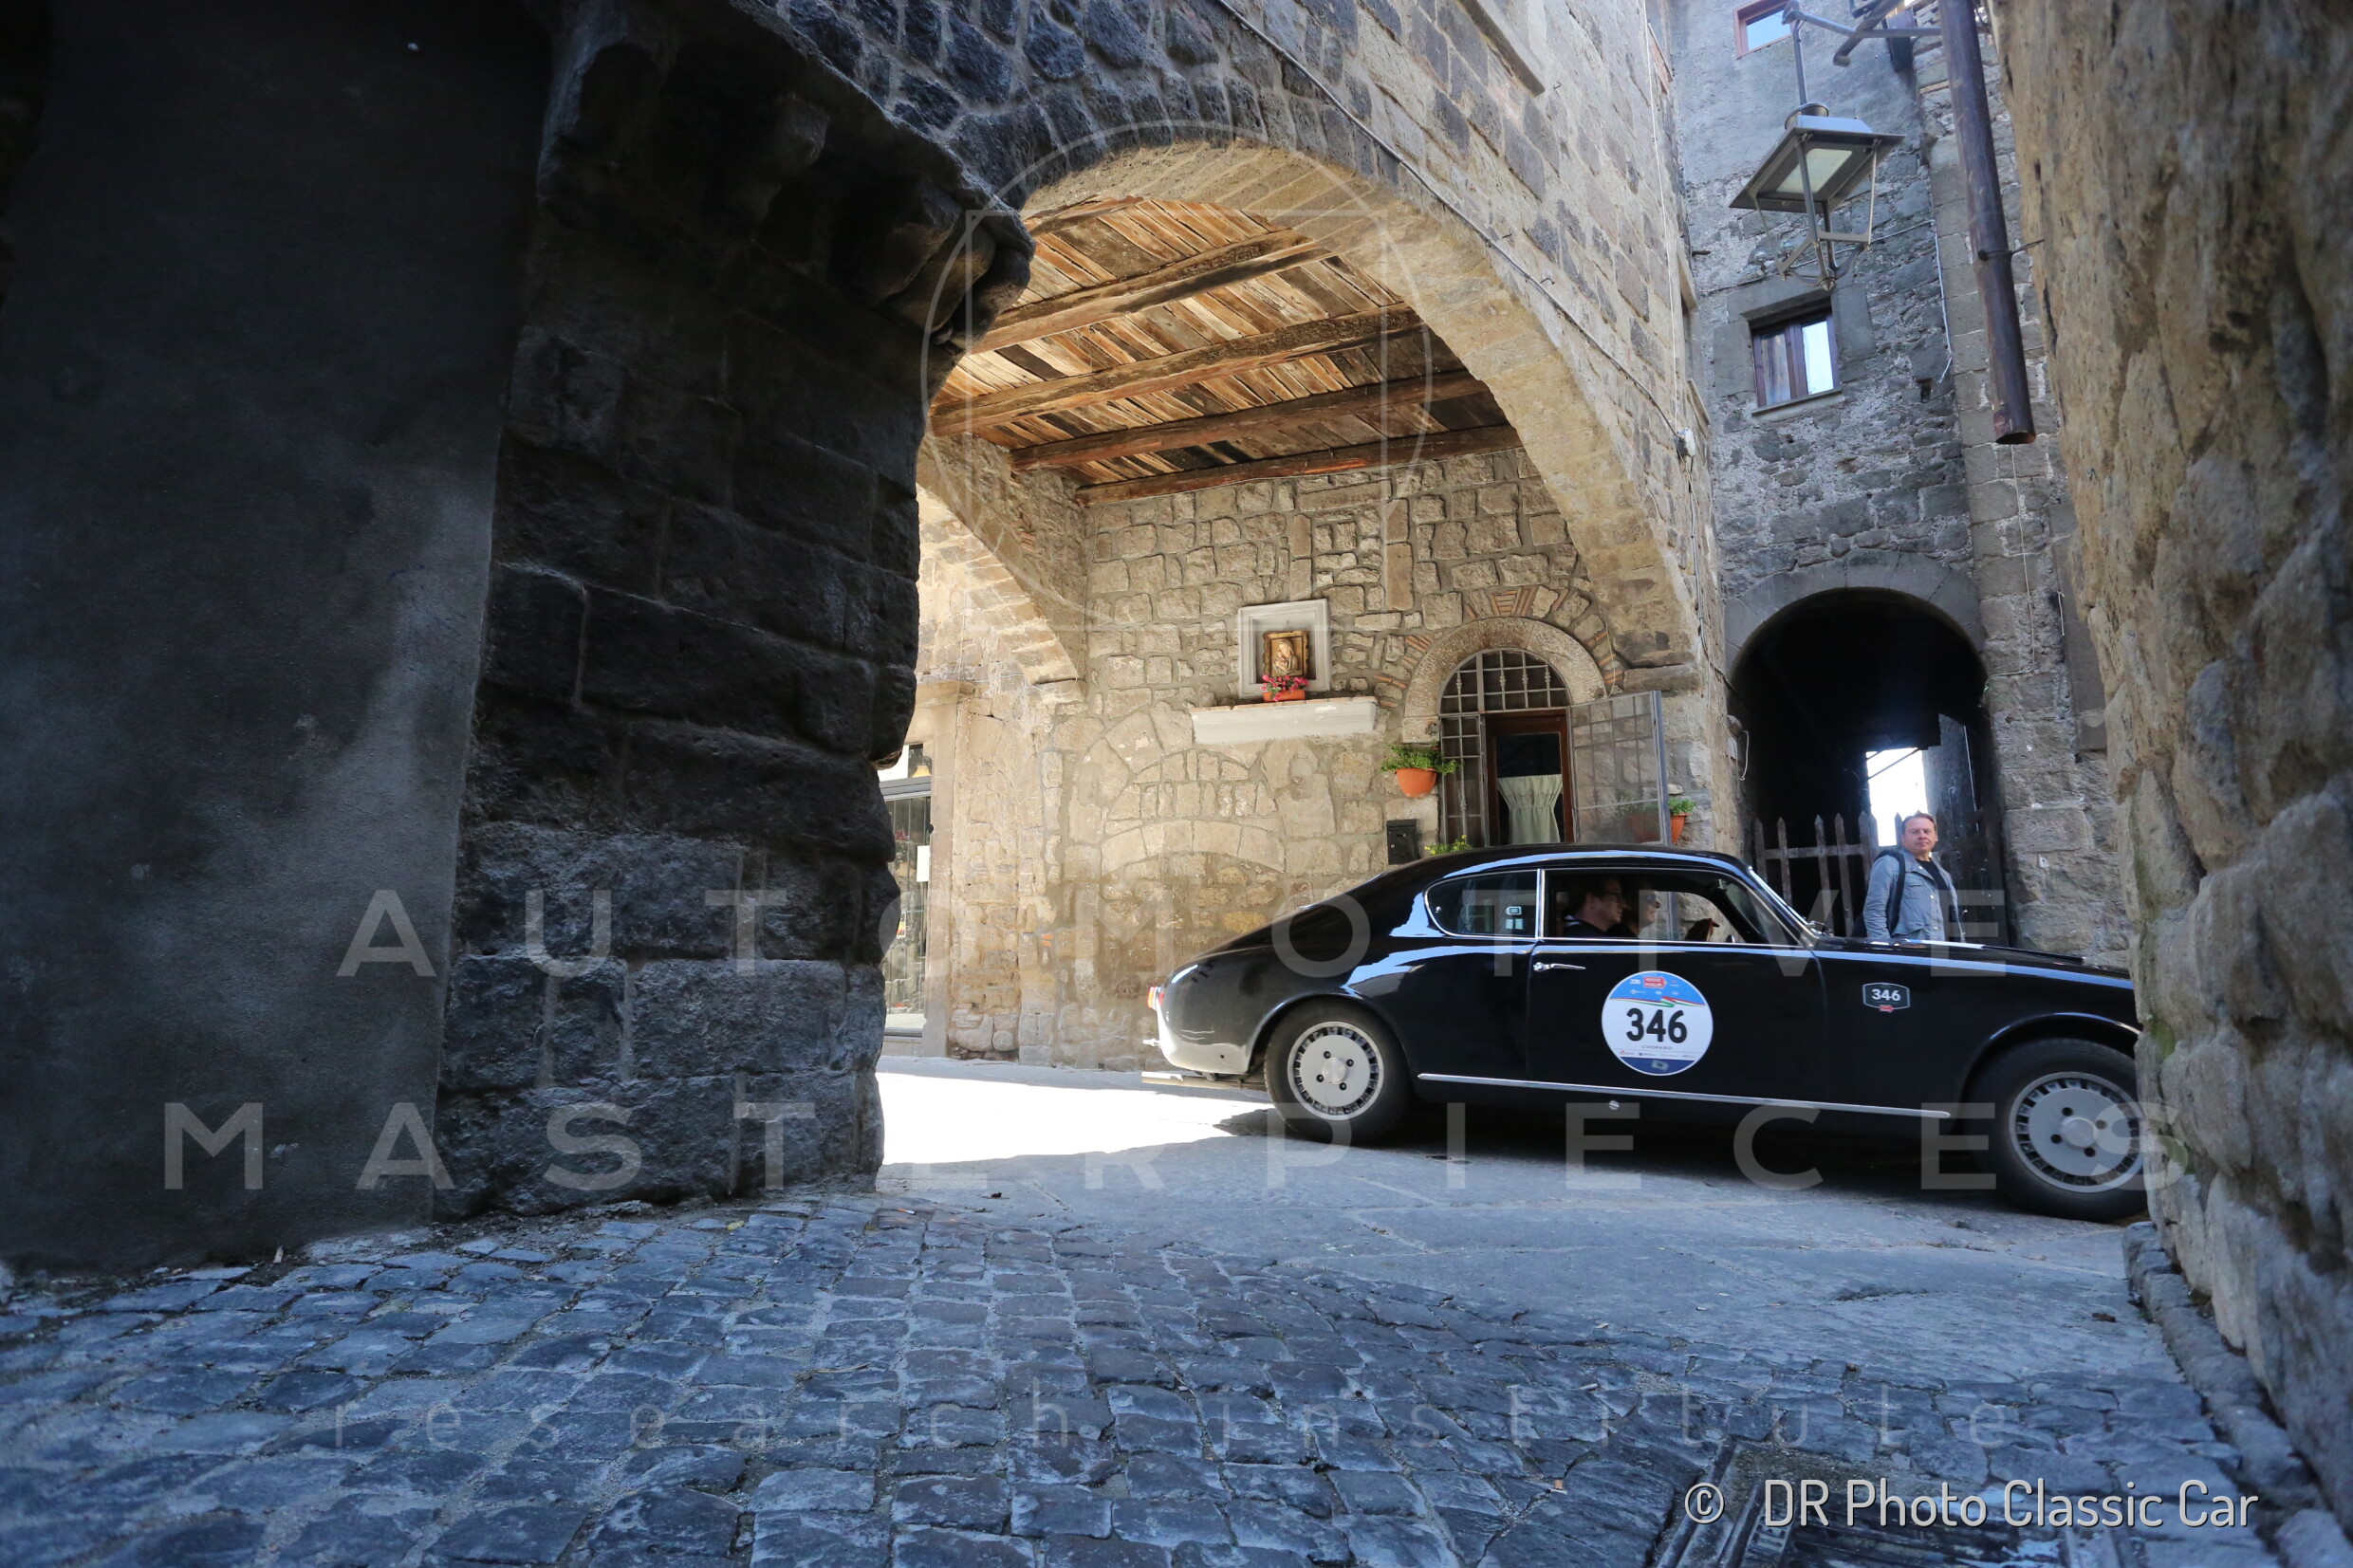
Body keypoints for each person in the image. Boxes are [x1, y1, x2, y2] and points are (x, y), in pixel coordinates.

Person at [1864, 812, 1962, 943]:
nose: (1922, 836)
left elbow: (1953, 920)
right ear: (1903, 838)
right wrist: (1886, 949)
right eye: (1915, 832)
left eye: (1927, 831)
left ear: (1936, 836)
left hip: (1945, 951)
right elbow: (1874, 912)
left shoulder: (1944, 874)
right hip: (1910, 952)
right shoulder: (1889, 864)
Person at [1556, 876, 1630, 937]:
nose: (1623, 905)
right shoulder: (1583, 940)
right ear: (1591, 900)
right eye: (1616, 896)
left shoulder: (1586, 936)